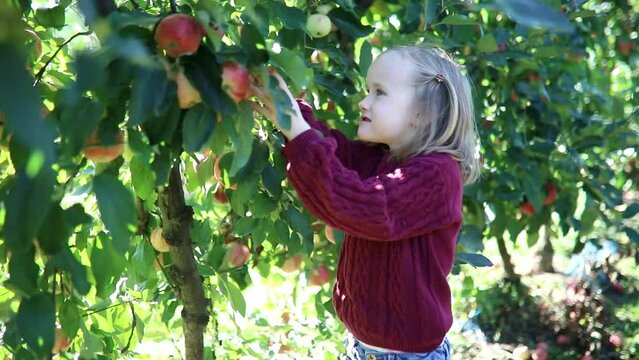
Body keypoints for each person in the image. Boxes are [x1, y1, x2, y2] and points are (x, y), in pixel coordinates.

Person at [249, 45, 480, 360]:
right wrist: (293, 114)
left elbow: (362, 206)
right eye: (367, 90)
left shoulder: (437, 175)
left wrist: (297, 130)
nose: (364, 101)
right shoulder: (380, 157)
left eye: (379, 93)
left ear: (423, 113)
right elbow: (333, 151)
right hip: (362, 348)